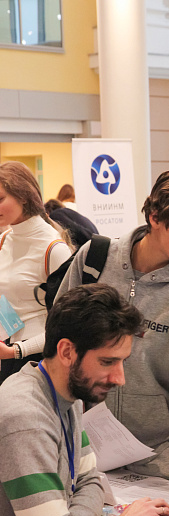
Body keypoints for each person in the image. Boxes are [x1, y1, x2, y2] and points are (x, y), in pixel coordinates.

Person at [57, 169, 169, 499]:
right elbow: (58, 343)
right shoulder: (94, 260)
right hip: (81, 448)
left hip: (157, 459)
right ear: (155, 217)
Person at [0, 283, 169, 516]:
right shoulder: (25, 418)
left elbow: (91, 480)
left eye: (122, 362)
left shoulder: (66, 397)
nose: (120, 378)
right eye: (107, 362)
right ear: (67, 351)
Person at [0, 161, 72, 383]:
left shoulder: (54, 249)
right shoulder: (4, 239)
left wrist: (17, 351)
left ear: (23, 196)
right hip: (6, 352)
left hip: (36, 360)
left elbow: (67, 325)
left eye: (0, 199)